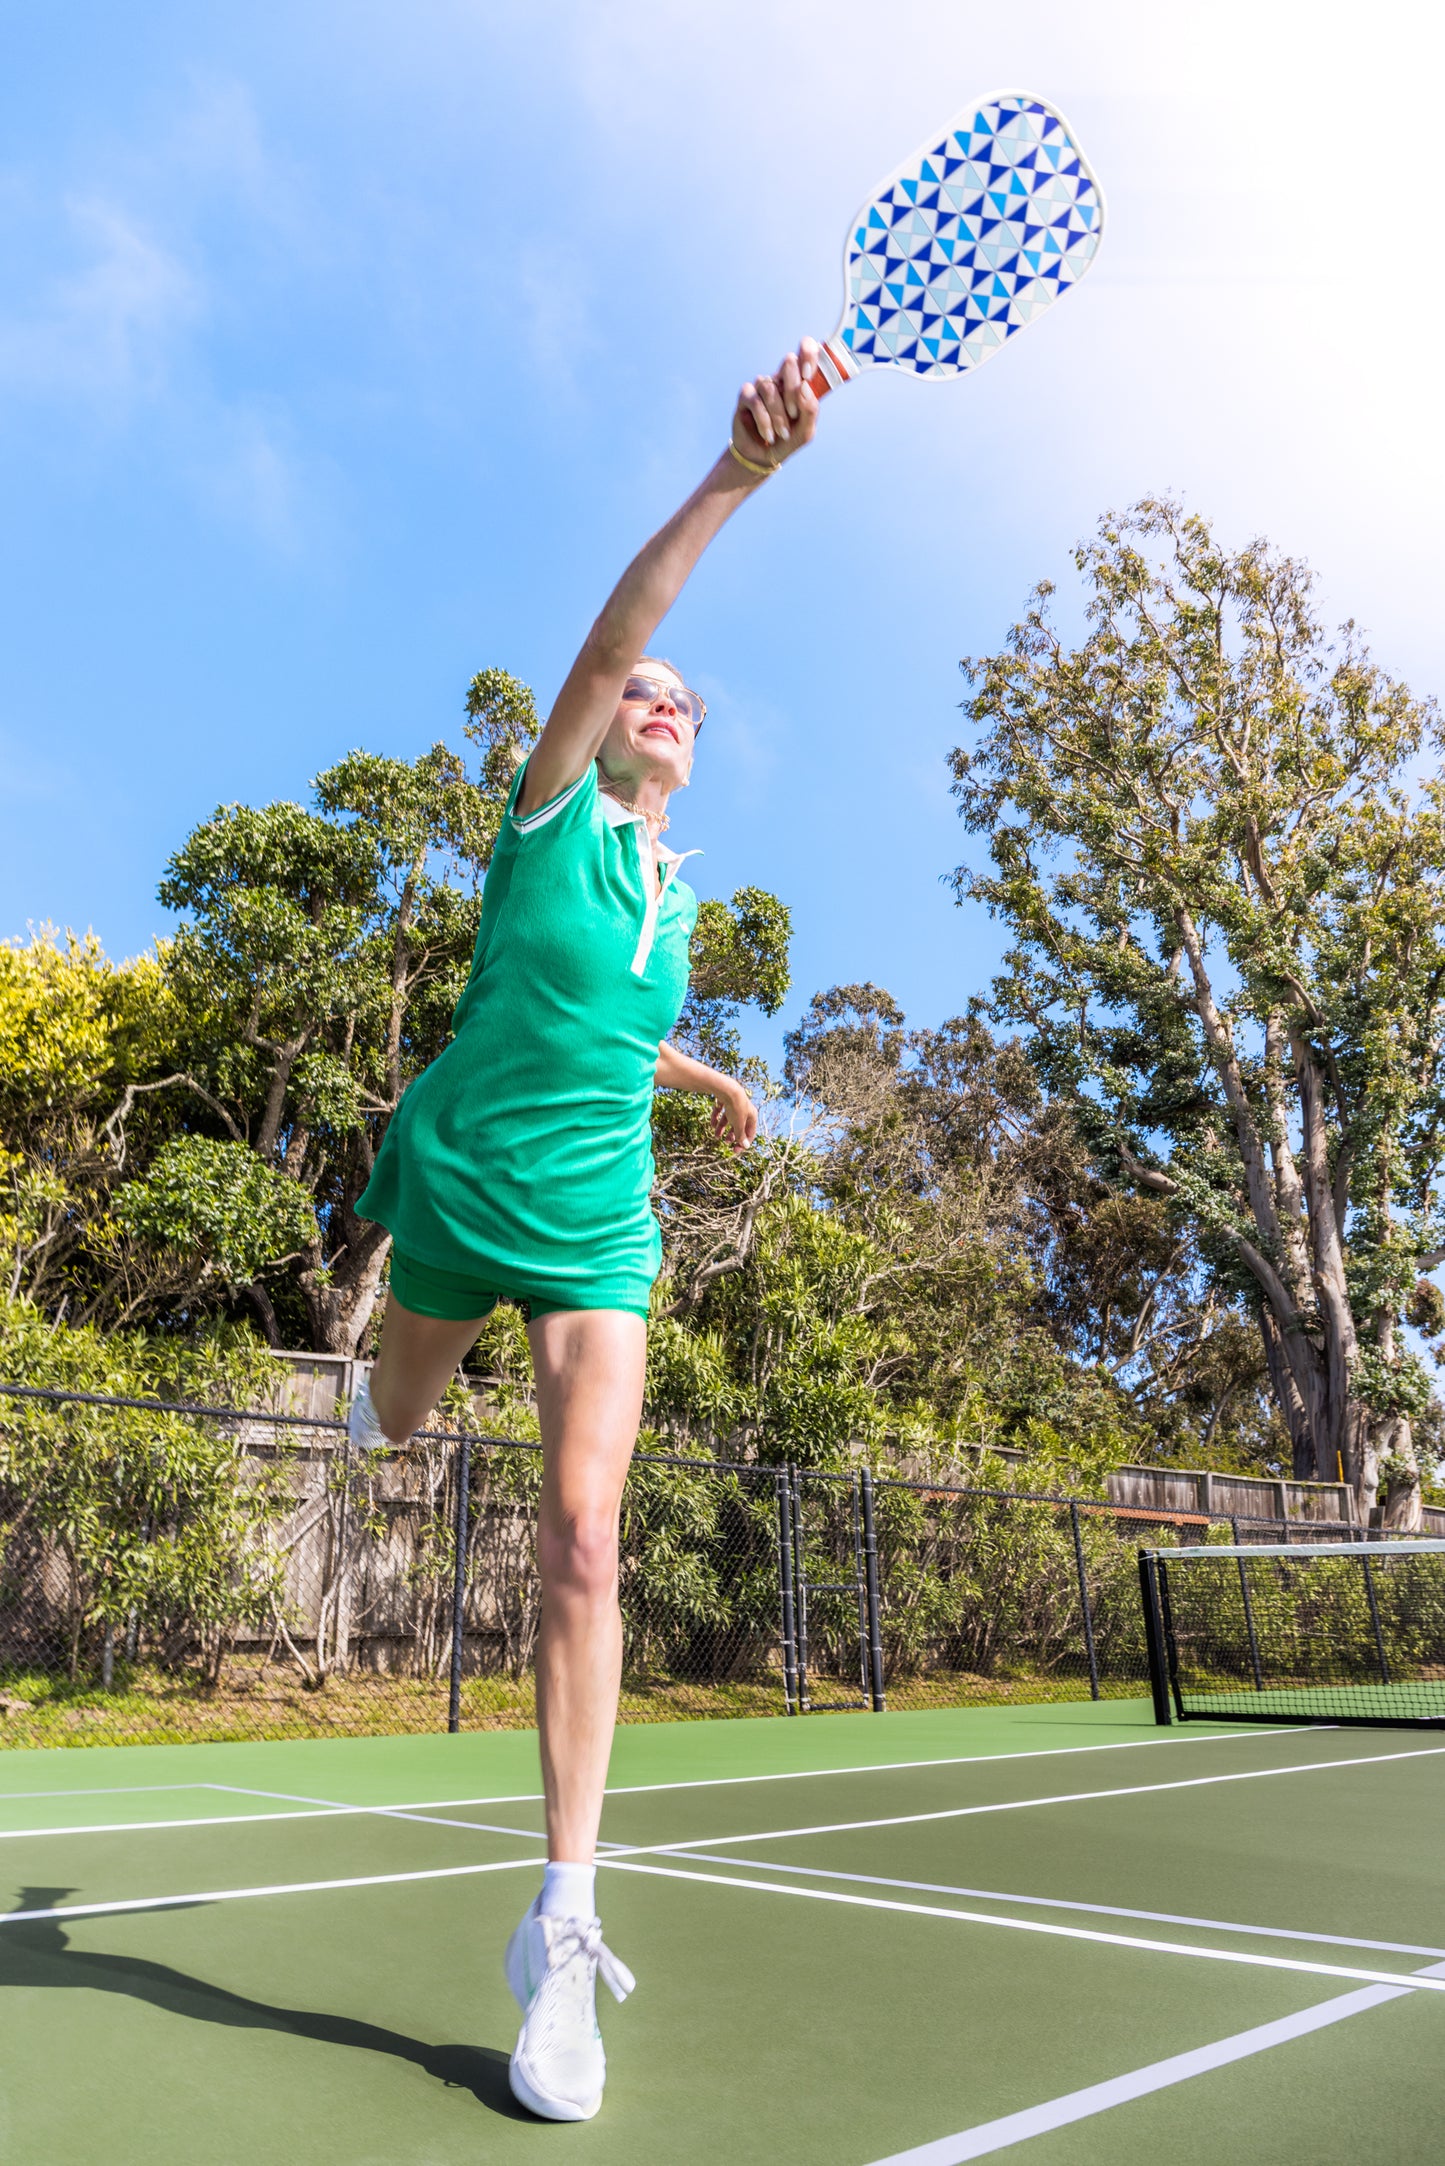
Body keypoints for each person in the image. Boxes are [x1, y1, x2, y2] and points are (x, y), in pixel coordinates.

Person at [347, 339, 822, 2121]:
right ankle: (374, 1383)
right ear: (601, 721)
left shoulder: (671, 902)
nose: (663, 702)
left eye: (688, 701)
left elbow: (610, 1030)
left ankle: (560, 1921)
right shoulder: (544, 820)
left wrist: (701, 1084)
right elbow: (615, 636)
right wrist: (734, 477)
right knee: (397, 1420)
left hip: (595, 1224)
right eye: (648, 694)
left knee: (581, 1529)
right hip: (458, 1178)